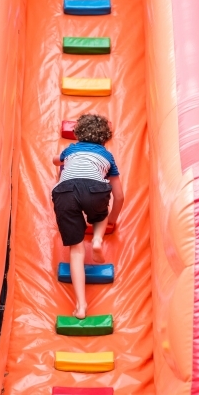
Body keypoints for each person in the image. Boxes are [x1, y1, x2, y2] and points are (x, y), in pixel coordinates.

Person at [52, 114, 124, 319]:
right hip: (94, 190)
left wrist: (61, 162)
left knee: (76, 250)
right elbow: (119, 196)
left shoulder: (71, 149)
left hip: (65, 192)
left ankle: (81, 305)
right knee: (99, 214)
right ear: (105, 138)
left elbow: (55, 160)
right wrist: (112, 218)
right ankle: (98, 239)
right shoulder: (107, 156)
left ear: (77, 134)